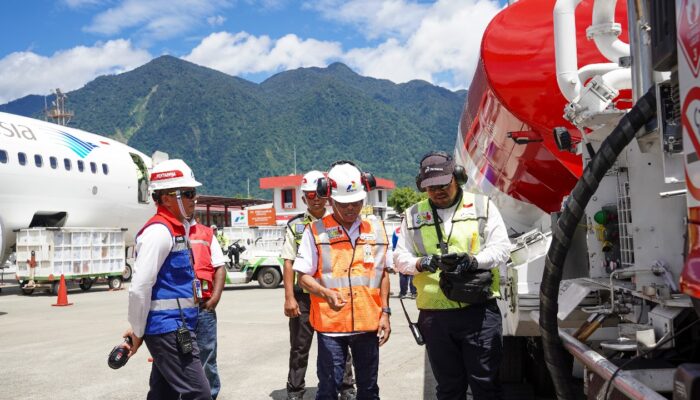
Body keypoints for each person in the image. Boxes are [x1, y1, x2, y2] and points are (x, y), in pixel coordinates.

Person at [394, 151, 510, 400]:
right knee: (448, 388)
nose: (437, 191)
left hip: (478, 312)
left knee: (486, 384)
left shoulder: (483, 206)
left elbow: (501, 249)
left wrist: (473, 261)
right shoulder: (412, 215)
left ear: (458, 177)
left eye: (443, 184)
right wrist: (423, 262)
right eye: (430, 187)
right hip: (435, 318)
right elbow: (399, 259)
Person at [294, 161, 391, 400]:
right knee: (329, 388)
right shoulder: (315, 231)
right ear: (330, 200)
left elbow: (383, 274)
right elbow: (302, 276)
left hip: (368, 323)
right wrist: (326, 293)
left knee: (369, 389)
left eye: (357, 202)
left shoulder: (376, 229)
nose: (351, 209)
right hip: (331, 326)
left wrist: (386, 313)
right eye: (344, 204)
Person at [120, 159, 211, 400]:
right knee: (199, 394)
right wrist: (138, 330)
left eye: (194, 192)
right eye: (189, 193)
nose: (195, 198)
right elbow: (140, 288)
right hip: (169, 330)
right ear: (167, 197)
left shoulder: (177, 229)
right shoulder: (159, 232)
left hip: (175, 327)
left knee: (163, 394)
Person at [282, 170, 357, 400]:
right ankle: (295, 391)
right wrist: (289, 297)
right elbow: (288, 261)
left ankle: (347, 388)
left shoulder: (338, 221)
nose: (315, 198)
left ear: (327, 196)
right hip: (303, 297)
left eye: (318, 194)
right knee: (299, 347)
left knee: (340, 345)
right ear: (303, 197)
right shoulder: (295, 226)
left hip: (330, 297)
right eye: (309, 194)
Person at [190, 218, 228, 398]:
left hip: (203, 307)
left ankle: (210, 395)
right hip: (176, 308)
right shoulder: (166, 231)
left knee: (207, 356)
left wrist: (215, 299)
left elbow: (220, 267)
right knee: (177, 359)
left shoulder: (206, 233)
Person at [392, 227, 416, 299]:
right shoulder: (413, 227)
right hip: (413, 253)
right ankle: (413, 293)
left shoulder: (397, 230)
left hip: (402, 254)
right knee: (413, 274)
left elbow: (394, 244)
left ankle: (403, 293)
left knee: (403, 275)